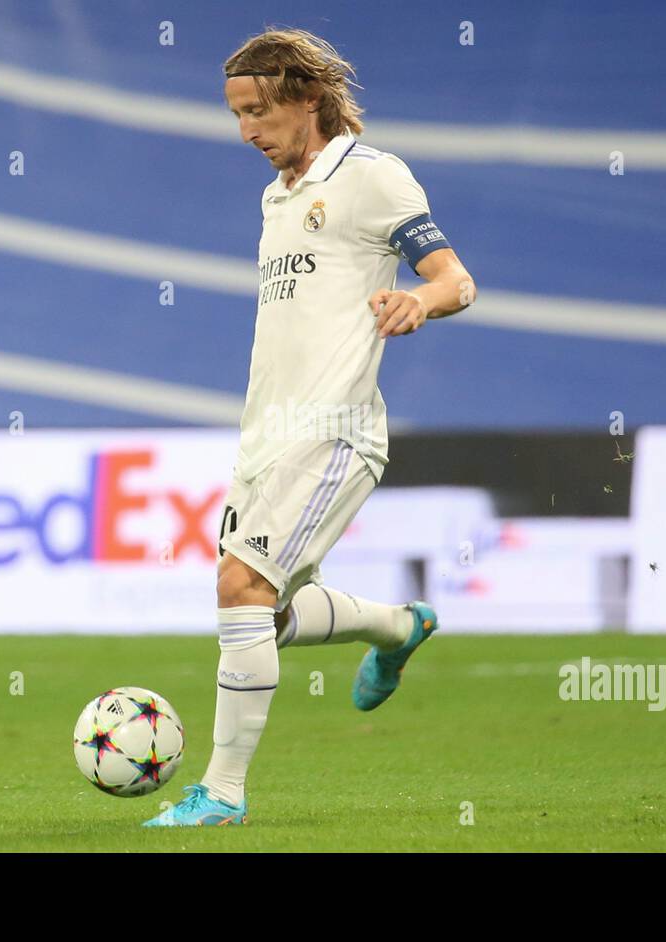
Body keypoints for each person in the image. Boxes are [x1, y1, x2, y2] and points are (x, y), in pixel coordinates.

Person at [143, 29, 476, 827]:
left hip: (334, 429)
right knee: (272, 613)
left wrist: (417, 302)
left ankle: (221, 795)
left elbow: (454, 279)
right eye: (237, 116)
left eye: (259, 112)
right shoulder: (277, 195)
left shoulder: (371, 176)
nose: (248, 132)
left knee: (240, 591)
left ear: (307, 98)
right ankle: (400, 627)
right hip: (265, 436)